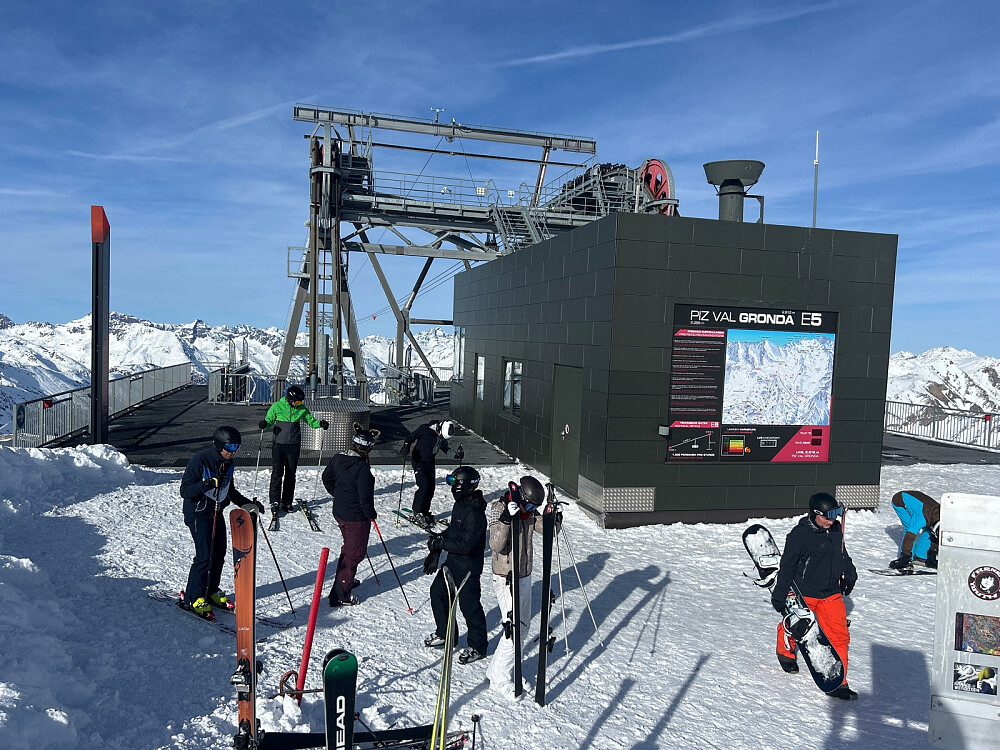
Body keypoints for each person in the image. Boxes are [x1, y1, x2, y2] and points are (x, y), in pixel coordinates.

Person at [771, 492, 859, 701]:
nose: (832, 520)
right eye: (827, 516)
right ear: (814, 513)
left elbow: (842, 553)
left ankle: (838, 682)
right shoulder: (799, 535)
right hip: (805, 594)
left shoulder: (835, 529)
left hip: (831, 593)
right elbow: (788, 566)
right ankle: (785, 652)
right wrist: (780, 593)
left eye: (835, 515)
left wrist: (850, 572)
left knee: (839, 637)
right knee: (797, 628)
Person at [485, 475, 559, 698]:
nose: (531, 511)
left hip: (524, 575)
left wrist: (553, 516)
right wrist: (507, 519)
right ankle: (499, 680)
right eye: (529, 506)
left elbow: (548, 530)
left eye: (534, 508)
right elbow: (495, 544)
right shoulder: (498, 508)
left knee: (523, 627)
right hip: (506, 576)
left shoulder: (528, 513)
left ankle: (500, 671)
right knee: (513, 629)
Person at [179, 426, 259, 617]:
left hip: (216, 512)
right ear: (218, 444)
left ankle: (211, 590)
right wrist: (207, 484)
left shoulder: (228, 464)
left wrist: (247, 504)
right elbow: (185, 490)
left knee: (219, 553)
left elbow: (230, 491)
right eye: (229, 447)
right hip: (198, 513)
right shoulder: (200, 459)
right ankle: (192, 597)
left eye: (236, 447)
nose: (232, 452)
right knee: (204, 555)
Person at [423, 466, 488, 666]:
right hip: (453, 562)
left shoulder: (475, 513)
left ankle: (478, 646)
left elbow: (467, 545)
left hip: (468, 566)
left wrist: (443, 544)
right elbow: (454, 530)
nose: (453, 487)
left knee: (469, 606)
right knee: (438, 593)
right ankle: (446, 634)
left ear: (467, 485)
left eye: (455, 482)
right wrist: (438, 541)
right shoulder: (460, 505)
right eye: (450, 482)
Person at [322, 422, 380, 606]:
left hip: (340, 512)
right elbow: (365, 498)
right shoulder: (362, 469)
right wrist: (371, 514)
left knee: (349, 548)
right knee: (355, 553)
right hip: (356, 517)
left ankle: (345, 579)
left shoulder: (338, 458)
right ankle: (341, 594)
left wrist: (339, 495)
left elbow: (326, 477)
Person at [259, 385, 329, 514]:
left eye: (300, 402)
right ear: (289, 399)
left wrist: (320, 424)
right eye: (297, 402)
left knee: (291, 474)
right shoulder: (277, 406)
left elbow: (311, 421)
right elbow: (269, 421)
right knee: (277, 473)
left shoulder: (302, 409)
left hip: (294, 445)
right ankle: (274, 501)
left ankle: (287, 501)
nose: (298, 405)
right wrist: (265, 424)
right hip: (279, 445)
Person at [401, 419, 456, 527]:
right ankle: (417, 512)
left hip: (430, 462)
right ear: (439, 428)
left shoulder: (441, 436)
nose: (440, 437)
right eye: (440, 435)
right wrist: (406, 446)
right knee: (424, 485)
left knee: (431, 487)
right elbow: (410, 438)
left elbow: (444, 447)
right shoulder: (424, 429)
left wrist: (455, 454)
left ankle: (425, 511)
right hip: (419, 460)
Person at [888, 490, 940, 570]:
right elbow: (910, 535)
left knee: (928, 531)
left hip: (923, 504)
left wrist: (932, 555)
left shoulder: (943, 516)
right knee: (909, 527)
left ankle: (920, 556)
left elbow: (936, 535)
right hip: (899, 501)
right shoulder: (921, 518)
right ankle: (905, 557)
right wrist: (905, 557)